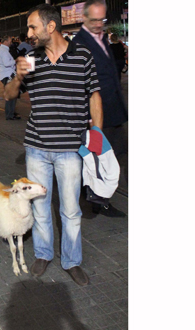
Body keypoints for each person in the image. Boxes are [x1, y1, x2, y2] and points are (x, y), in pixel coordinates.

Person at [4, 4, 103, 286]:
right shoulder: (31, 59)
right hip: (36, 148)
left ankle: (72, 261)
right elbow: (9, 95)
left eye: (33, 27)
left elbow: (94, 96)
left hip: (71, 149)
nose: (28, 33)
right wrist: (19, 76)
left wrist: (96, 135)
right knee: (40, 207)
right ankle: (44, 254)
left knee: (71, 210)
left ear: (51, 27)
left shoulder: (81, 55)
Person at [72, 0, 128, 217]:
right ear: (84, 18)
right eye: (94, 20)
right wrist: (89, 118)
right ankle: (97, 201)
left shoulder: (103, 37)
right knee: (99, 159)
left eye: (102, 20)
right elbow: (80, 83)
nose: (98, 24)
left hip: (112, 109)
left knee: (114, 155)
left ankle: (98, 196)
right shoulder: (78, 43)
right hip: (97, 114)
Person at [0, 36, 21, 120]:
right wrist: (15, 61)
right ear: (6, 41)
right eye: (10, 41)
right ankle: (10, 114)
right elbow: (7, 63)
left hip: (5, 74)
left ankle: (10, 113)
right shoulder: (4, 51)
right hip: (8, 74)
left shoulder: (0, 50)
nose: (11, 42)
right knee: (11, 95)